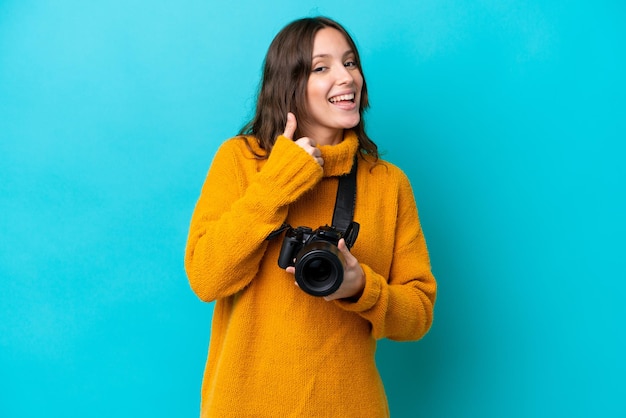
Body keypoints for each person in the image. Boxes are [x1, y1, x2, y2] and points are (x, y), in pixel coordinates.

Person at [184, 16, 437, 417]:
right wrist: (277, 184)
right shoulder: (241, 161)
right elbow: (206, 276)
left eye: (350, 63)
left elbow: (419, 314)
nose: (347, 78)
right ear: (289, 84)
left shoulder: (388, 184)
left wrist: (360, 287)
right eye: (322, 67)